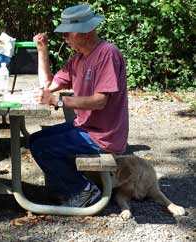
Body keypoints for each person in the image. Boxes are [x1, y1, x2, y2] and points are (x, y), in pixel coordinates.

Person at [30, 4, 129, 207]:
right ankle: (63, 189)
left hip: (103, 136)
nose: (64, 38)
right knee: (35, 140)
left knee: (43, 147)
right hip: (84, 127)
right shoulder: (78, 59)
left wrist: (58, 101)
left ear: (87, 30)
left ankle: (84, 192)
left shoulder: (107, 54)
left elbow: (100, 101)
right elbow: (48, 85)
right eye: (63, 34)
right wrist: (42, 51)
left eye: (68, 33)